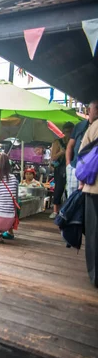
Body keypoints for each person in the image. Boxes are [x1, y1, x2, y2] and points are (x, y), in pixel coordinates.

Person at [78, 99, 98, 287]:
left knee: (94, 233)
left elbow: (83, 155)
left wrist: (80, 181)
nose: (88, 113)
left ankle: (96, 275)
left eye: (89, 110)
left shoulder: (94, 127)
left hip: (94, 188)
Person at [66, 108, 95, 197]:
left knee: (88, 197)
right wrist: (68, 165)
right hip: (75, 167)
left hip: (92, 169)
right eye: (96, 108)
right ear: (89, 110)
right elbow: (70, 146)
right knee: (73, 198)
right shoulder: (80, 126)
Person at [50, 122, 74, 218]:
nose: (69, 133)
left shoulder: (74, 141)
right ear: (64, 131)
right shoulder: (58, 142)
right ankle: (55, 211)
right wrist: (61, 152)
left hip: (72, 167)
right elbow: (53, 157)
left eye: (71, 131)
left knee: (70, 189)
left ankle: (68, 210)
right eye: (67, 131)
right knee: (59, 188)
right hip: (60, 168)